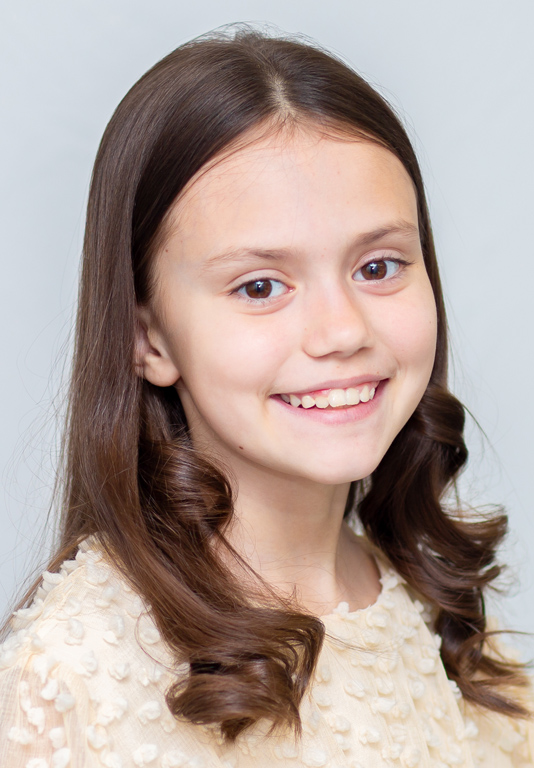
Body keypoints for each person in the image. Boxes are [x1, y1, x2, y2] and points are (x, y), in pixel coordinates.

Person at [0, 26, 532, 768]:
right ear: (148, 339)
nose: (342, 331)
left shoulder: (443, 619)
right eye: (259, 286)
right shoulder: (71, 678)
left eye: (378, 267)